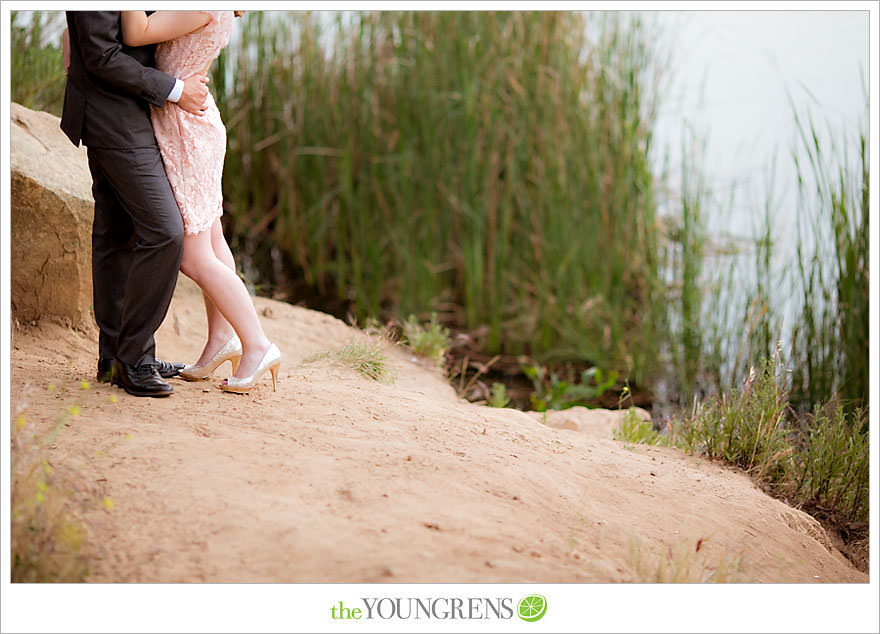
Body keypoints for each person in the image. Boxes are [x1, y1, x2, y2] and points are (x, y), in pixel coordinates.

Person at [119, 10, 281, 394]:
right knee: (212, 241)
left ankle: (257, 343)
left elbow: (135, 31)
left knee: (193, 256)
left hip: (185, 129)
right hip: (192, 124)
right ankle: (221, 340)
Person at [61, 11, 211, 397]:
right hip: (111, 113)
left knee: (118, 233)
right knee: (165, 231)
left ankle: (116, 356)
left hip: (131, 108)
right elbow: (100, 55)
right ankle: (134, 360)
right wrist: (175, 88)